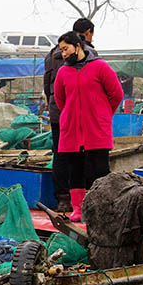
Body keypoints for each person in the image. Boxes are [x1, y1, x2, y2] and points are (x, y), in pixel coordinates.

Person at [54, 31, 123, 222]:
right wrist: (72, 113)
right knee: (75, 169)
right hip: (72, 128)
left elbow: (116, 94)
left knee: (99, 169)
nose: (64, 53)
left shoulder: (100, 67)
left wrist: (102, 113)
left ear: (77, 46)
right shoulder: (63, 72)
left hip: (97, 127)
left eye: (66, 48)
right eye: (61, 50)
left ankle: (101, 209)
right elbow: (60, 99)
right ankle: (78, 209)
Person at [43, 18, 95, 212]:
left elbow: (47, 86)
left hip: (58, 112)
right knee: (84, 155)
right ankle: (86, 199)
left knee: (61, 154)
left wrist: (56, 107)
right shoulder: (89, 54)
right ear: (87, 33)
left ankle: (63, 198)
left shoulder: (51, 54)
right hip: (80, 114)